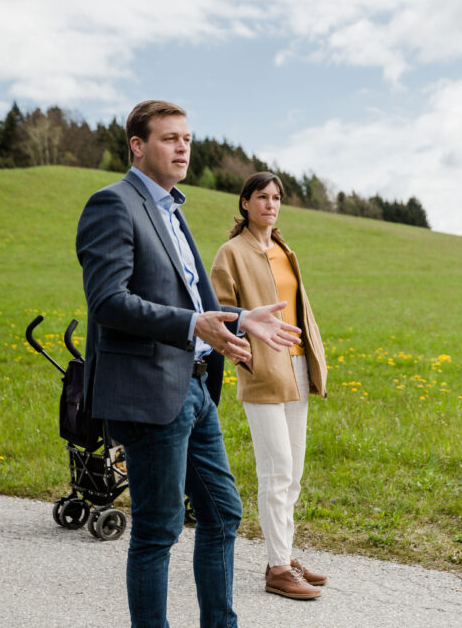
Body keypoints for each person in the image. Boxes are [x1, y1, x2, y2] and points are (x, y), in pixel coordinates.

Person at [76, 100, 302, 628]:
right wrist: (189, 327)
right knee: (158, 529)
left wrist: (240, 321)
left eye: (187, 139)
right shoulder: (113, 205)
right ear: (138, 146)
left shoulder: (171, 210)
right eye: (170, 138)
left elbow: (198, 304)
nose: (183, 148)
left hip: (196, 390)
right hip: (149, 390)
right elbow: (107, 300)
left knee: (223, 513)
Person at [210, 172, 328, 600]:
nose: (270, 204)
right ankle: (278, 569)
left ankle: (284, 553)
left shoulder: (282, 248)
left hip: (296, 369)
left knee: (293, 474)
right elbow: (217, 312)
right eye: (262, 197)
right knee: (276, 472)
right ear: (245, 203)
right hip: (262, 374)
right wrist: (242, 355)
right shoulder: (231, 253)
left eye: (276, 198)